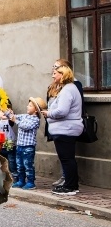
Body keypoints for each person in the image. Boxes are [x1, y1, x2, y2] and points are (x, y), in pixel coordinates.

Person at [42, 64, 83, 195]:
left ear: (63, 75)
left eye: (55, 73)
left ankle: (71, 186)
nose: (53, 75)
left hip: (66, 129)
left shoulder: (68, 90)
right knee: (66, 158)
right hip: (65, 129)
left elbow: (62, 111)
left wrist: (49, 113)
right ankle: (69, 184)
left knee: (67, 159)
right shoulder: (67, 88)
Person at [8, 97, 45, 190]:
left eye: (30, 105)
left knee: (28, 165)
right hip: (20, 145)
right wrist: (8, 112)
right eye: (28, 105)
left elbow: (25, 126)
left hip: (28, 147)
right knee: (19, 164)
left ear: (36, 110)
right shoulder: (24, 116)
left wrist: (15, 120)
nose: (27, 106)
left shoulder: (35, 120)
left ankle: (31, 182)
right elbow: (14, 117)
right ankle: (21, 180)